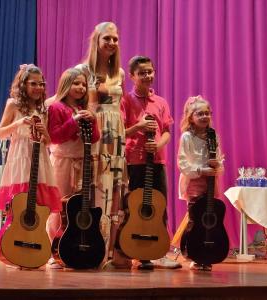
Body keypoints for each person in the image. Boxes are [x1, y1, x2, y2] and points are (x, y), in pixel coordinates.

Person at [117, 55, 181, 270]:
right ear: (133, 76)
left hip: (157, 162)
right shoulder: (125, 100)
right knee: (133, 207)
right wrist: (138, 126)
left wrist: (159, 145)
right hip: (134, 162)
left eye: (150, 72)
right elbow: (119, 132)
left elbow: (167, 132)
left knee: (159, 207)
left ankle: (159, 252)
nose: (147, 76)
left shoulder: (161, 102)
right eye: (142, 73)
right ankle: (132, 251)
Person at [0, 64, 62, 246]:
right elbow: (0, 133)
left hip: (40, 159)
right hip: (20, 157)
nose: (38, 88)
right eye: (34, 84)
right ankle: (16, 241)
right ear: (23, 85)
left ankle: (36, 241)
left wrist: (43, 131)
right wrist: (19, 123)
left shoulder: (43, 108)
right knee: (20, 202)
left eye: (41, 84)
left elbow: (49, 142)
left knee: (39, 203)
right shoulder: (13, 104)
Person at [76, 22, 126, 258]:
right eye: (107, 38)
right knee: (94, 183)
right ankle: (86, 242)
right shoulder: (82, 70)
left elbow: (120, 106)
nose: (112, 43)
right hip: (93, 130)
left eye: (115, 39)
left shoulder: (120, 73)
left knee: (114, 186)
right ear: (96, 40)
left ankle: (108, 250)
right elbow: (72, 98)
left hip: (115, 133)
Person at [178, 95, 224, 271]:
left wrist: (216, 166)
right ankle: (196, 253)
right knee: (196, 218)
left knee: (210, 216)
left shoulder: (213, 135)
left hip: (211, 183)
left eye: (207, 113)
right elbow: (183, 163)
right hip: (194, 182)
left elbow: (219, 159)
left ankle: (209, 252)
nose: (205, 117)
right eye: (200, 114)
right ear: (191, 117)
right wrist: (201, 170)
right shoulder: (187, 137)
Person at [48, 68, 100, 198]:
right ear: (66, 84)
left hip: (83, 163)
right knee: (60, 203)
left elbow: (94, 139)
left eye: (84, 85)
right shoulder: (56, 107)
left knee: (77, 206)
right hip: (63, 164)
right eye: (76, 83)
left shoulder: (83, 109)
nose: (81, 87)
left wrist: (93, 120)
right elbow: (55, 137)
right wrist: (74, 121)